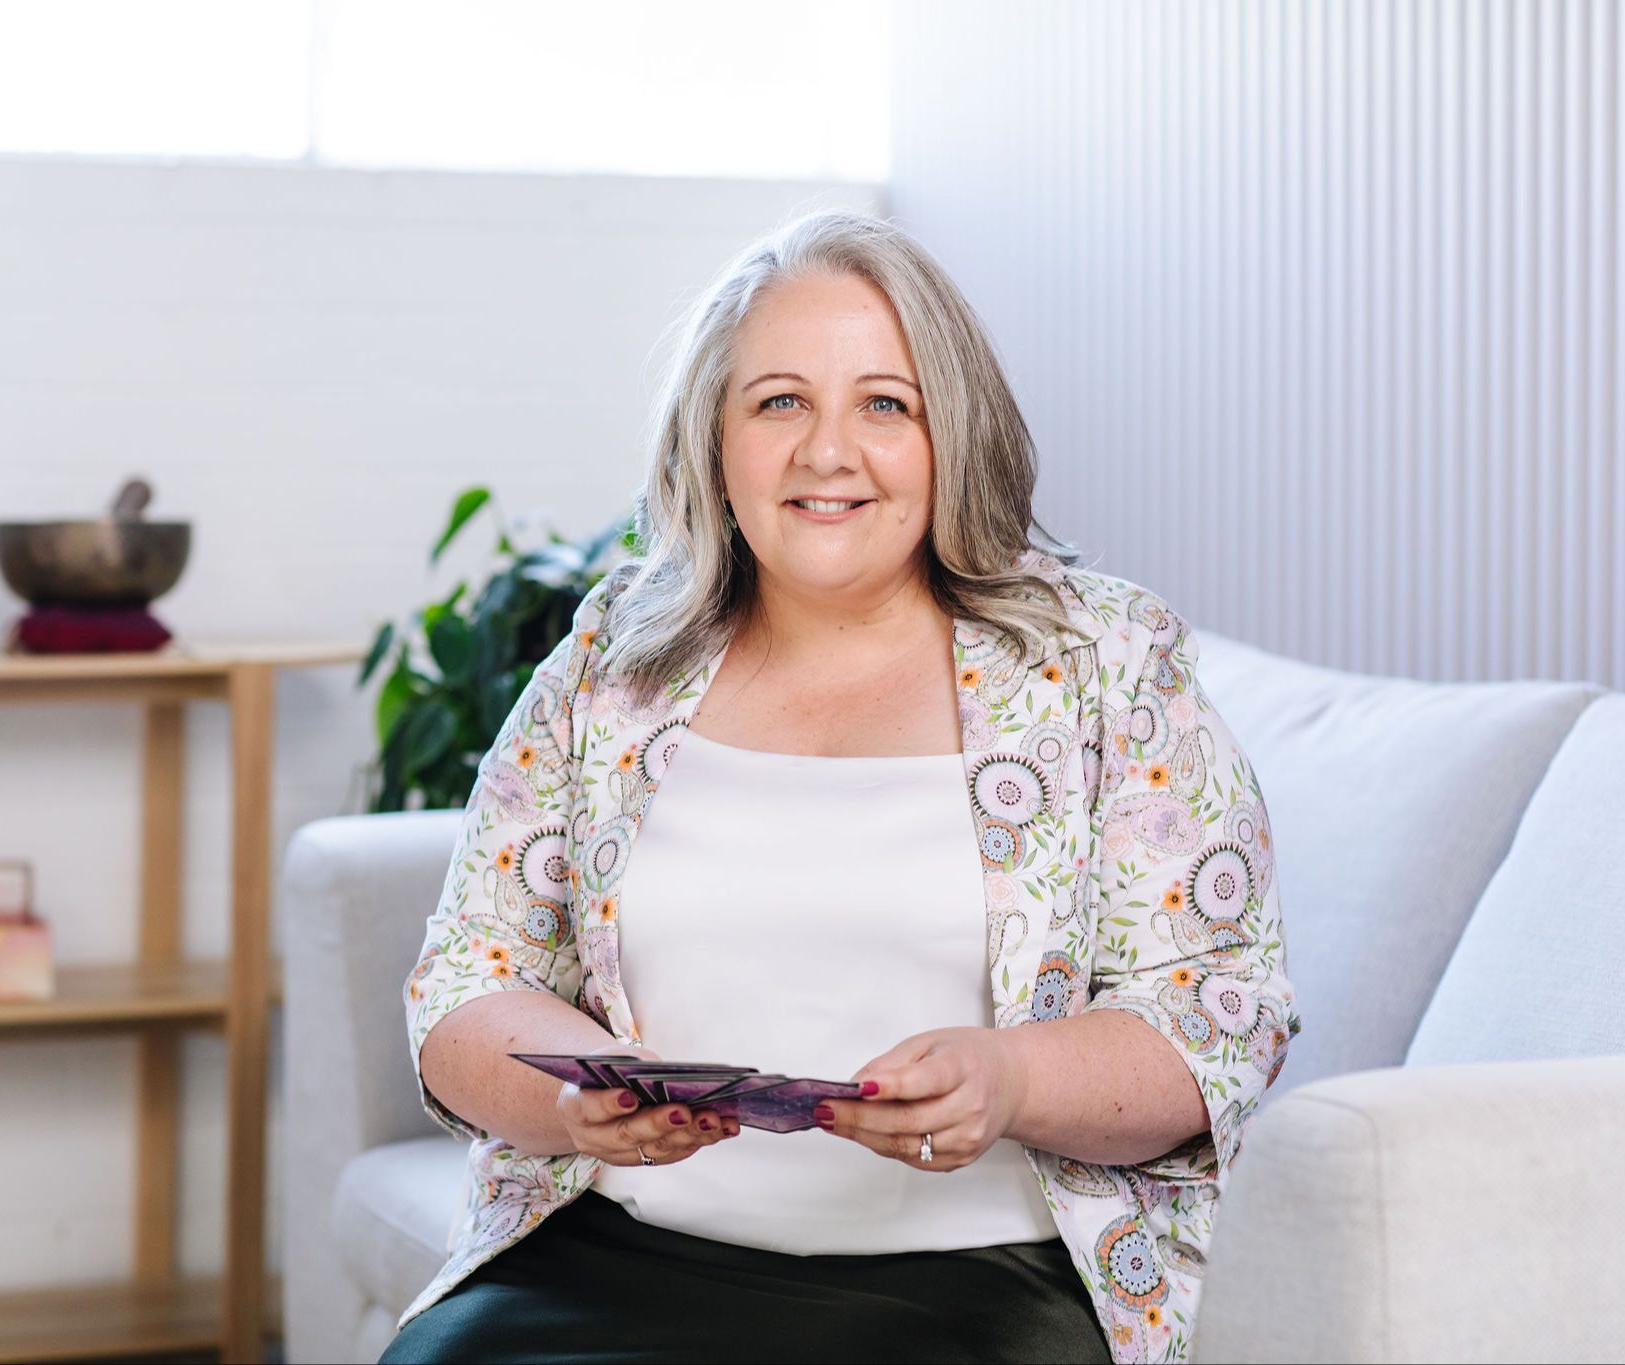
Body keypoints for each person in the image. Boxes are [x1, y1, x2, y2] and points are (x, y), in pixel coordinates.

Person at [380, 209, 1300, 1365]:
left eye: (883, 404)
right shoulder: (612, 665)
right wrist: (571, 1112)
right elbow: (469, 975)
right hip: (616, 1249)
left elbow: (1220, 1014)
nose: (827, 452)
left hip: (991, 1281)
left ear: (947, 435)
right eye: (778, 402)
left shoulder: (1104, 666)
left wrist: (1009, 1080)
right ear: (713, 439)